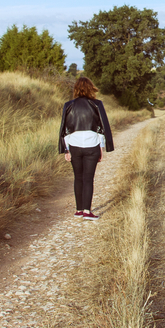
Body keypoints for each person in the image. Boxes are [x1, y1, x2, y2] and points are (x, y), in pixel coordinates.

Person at [58, 76, 114, 220]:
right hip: (92, 146)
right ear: (91, 88)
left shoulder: (68, 105)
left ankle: (78, 210)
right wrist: (102, 147)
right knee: (88, 178)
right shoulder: (97, 104)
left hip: (74, 146)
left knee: (78, 178)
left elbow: (65, 129)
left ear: (76, 88)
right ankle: (87, 211)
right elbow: (102, 128)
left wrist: (66, 149)